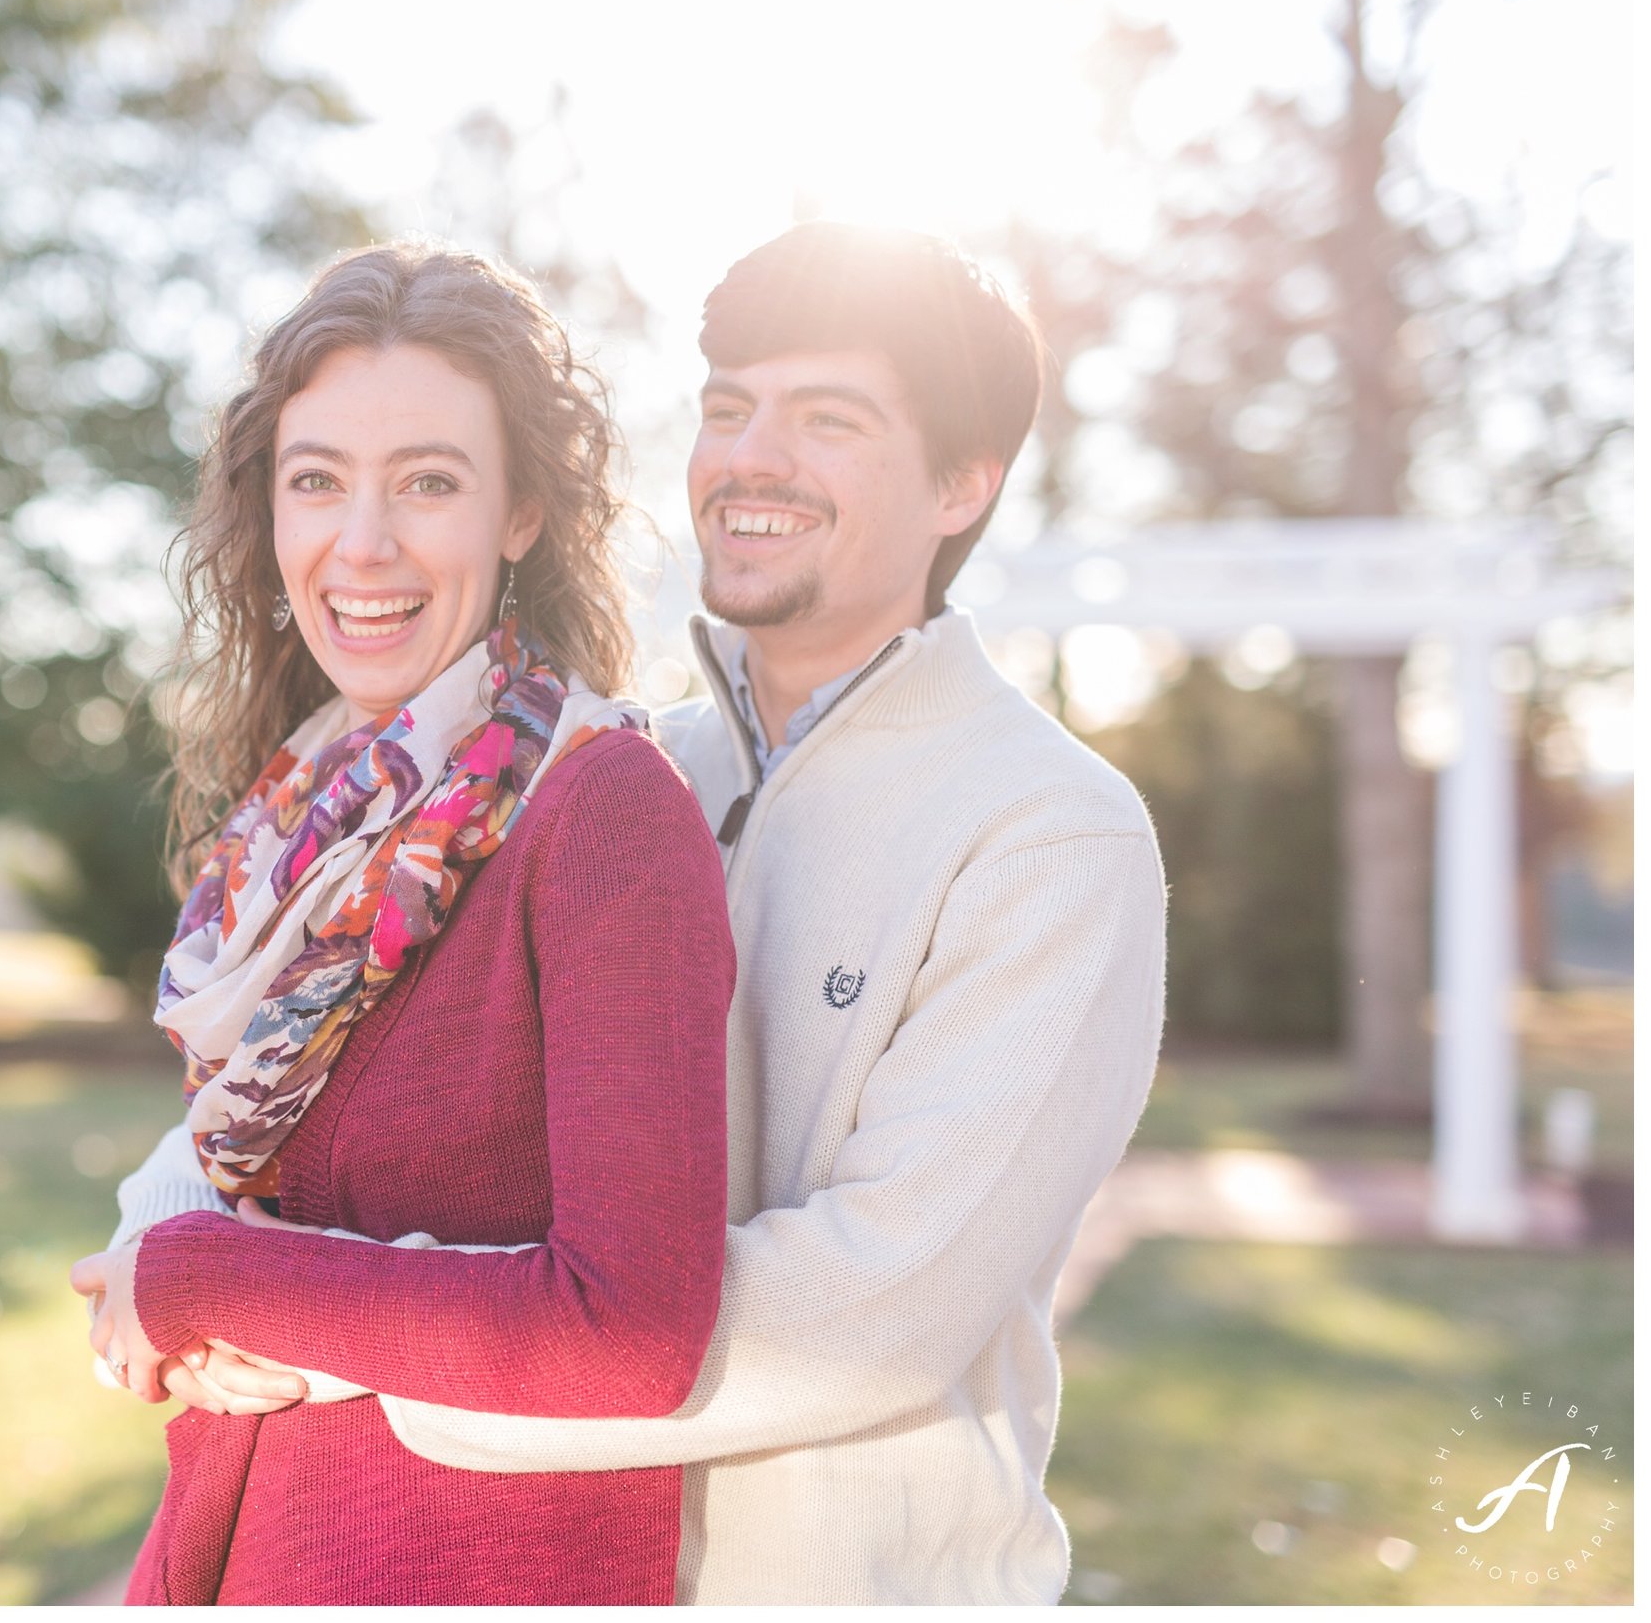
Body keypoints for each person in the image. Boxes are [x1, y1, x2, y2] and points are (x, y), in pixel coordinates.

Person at [111, 221, 1169, 1604]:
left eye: (827, 418)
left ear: (965, 482)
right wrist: (169, 1226)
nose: (751, 457)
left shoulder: (1046, 831)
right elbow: (323, 1061)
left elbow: (876, 1308)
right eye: (729, 408)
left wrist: (340, 1337)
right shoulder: (592, 767)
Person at [65, 242, 734, 1606]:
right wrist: (166, 1268)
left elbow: (632, 1329)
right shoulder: (309, 813)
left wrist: (205, 1275)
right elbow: (250, 1182)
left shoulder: (601, 809)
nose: (360, 544)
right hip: (239, 1542)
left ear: (523, 512)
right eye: (317, 481)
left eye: (427, 481)